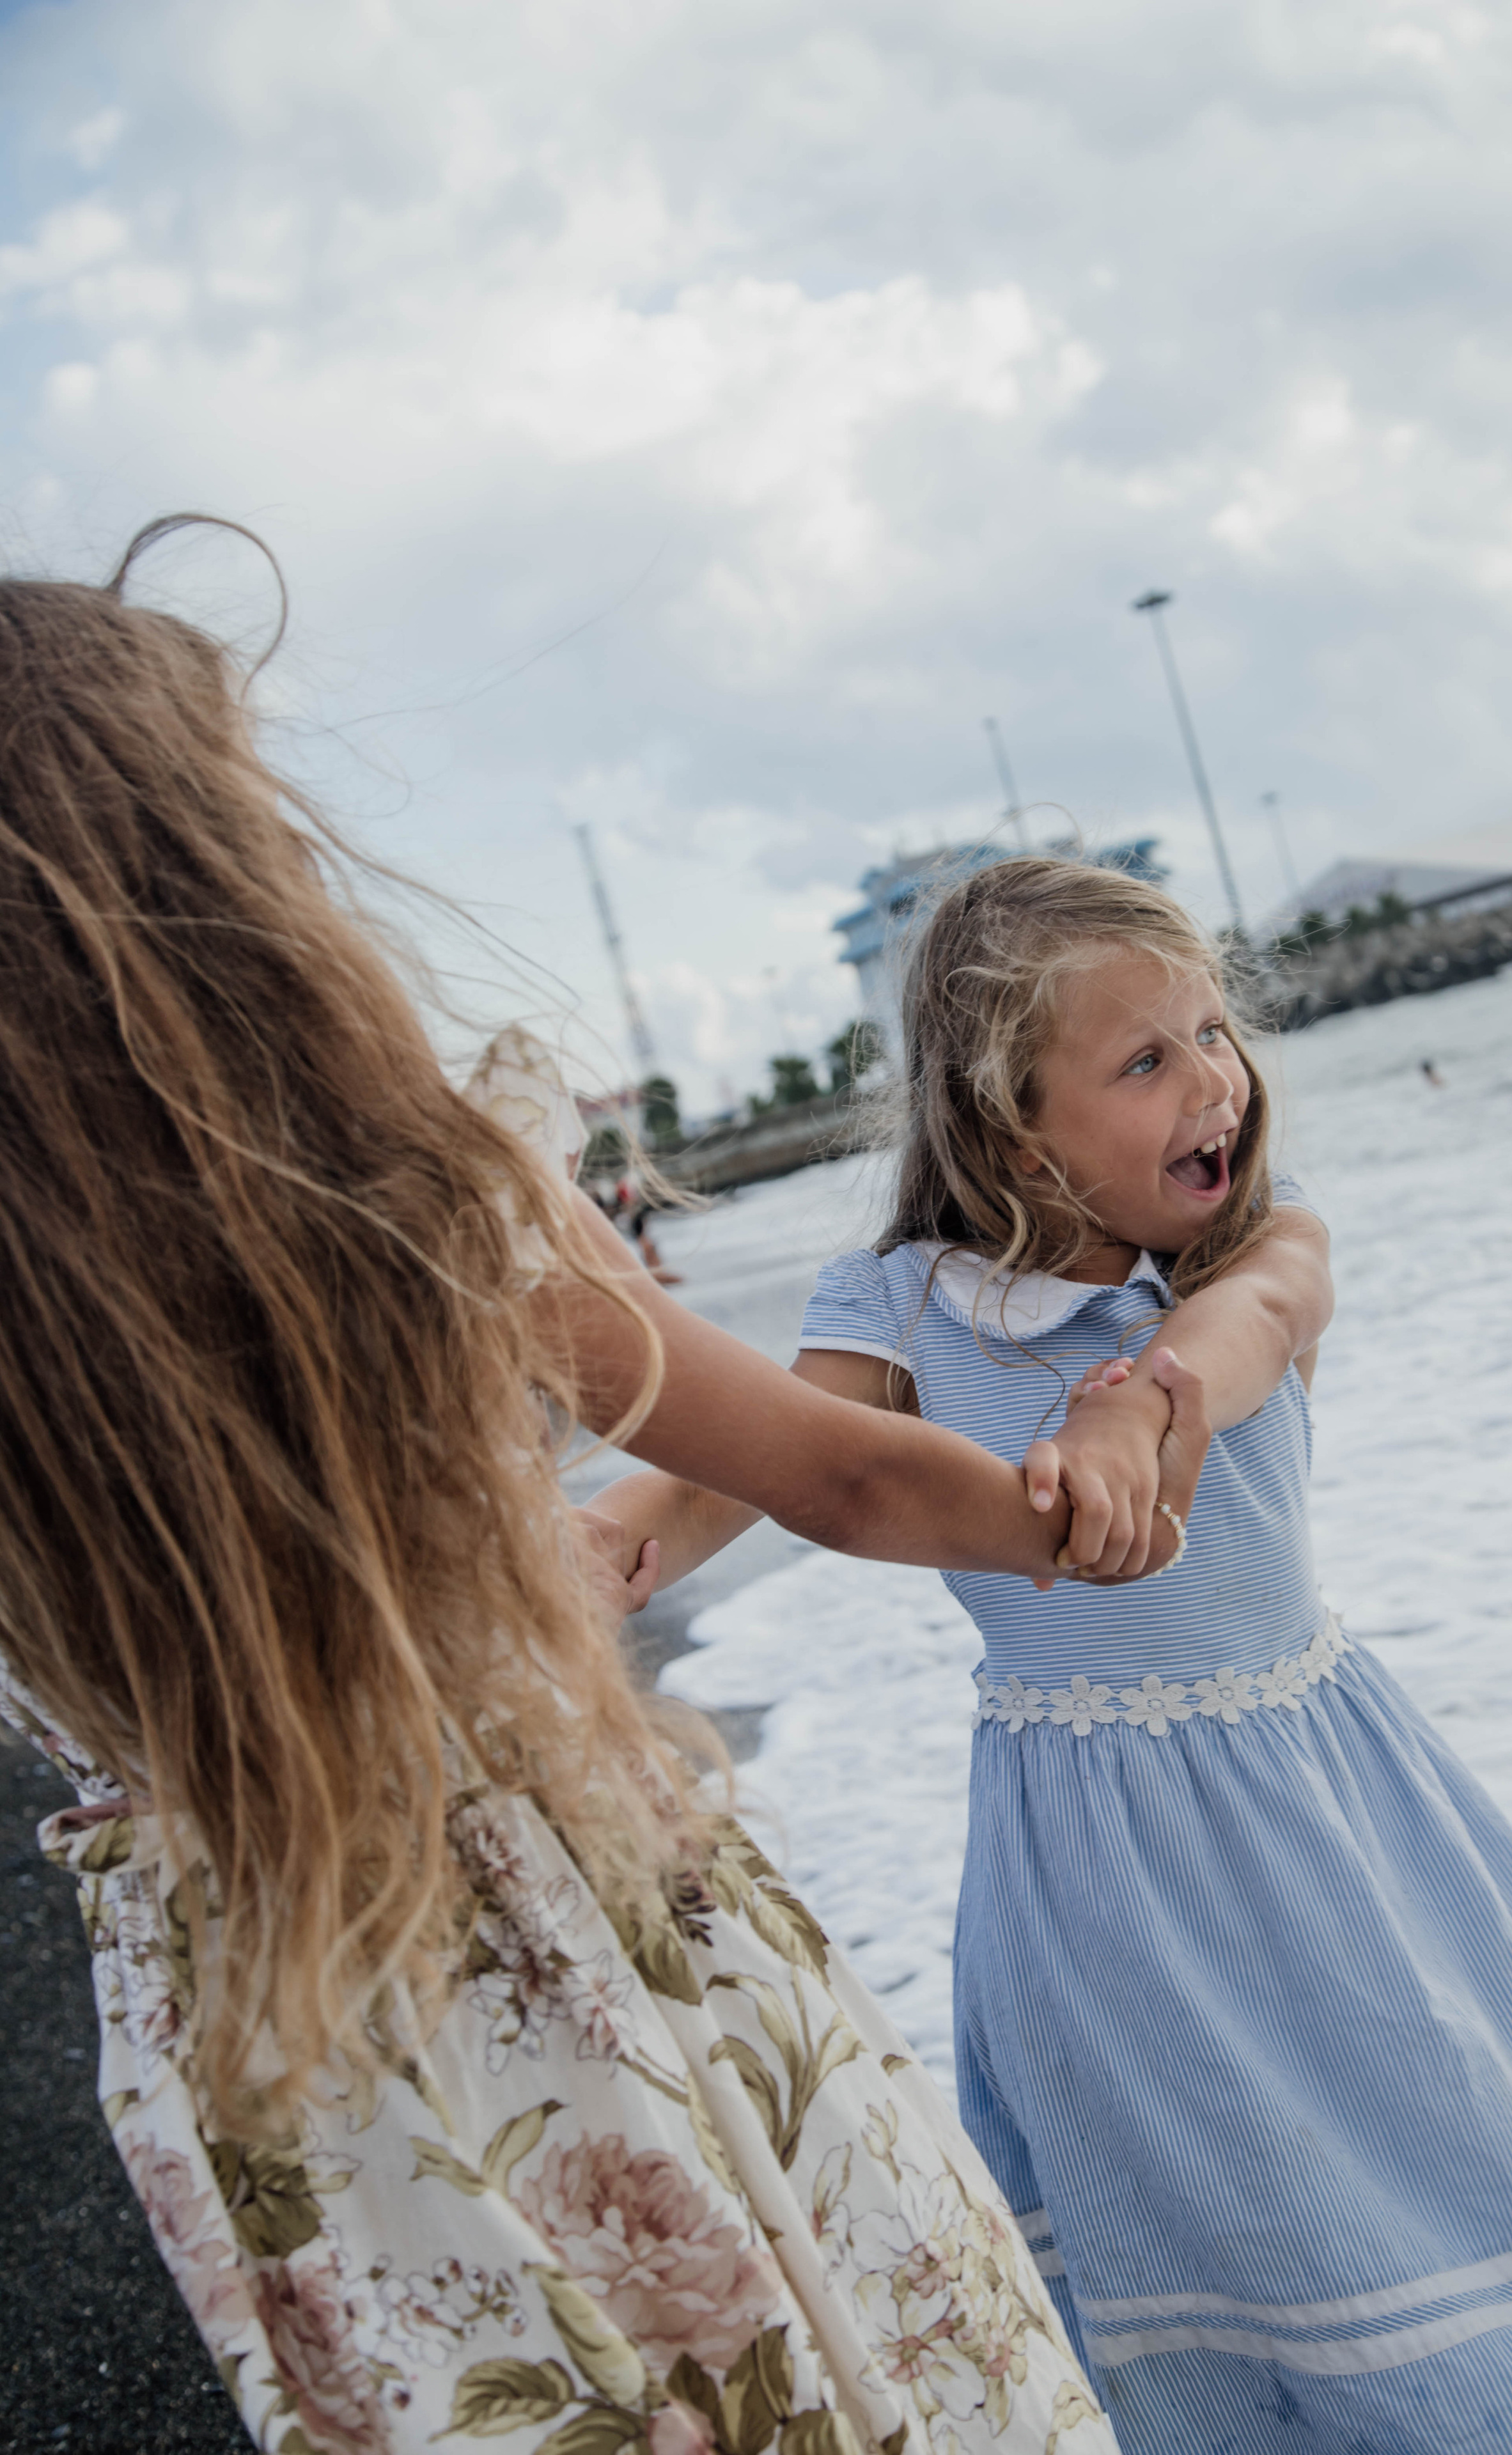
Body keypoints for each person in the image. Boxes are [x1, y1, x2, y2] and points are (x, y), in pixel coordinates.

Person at [0, 533, 1145, 2455]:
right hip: (587, 1932)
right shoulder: (426, 1202)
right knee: (868, 2376)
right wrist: (1099, 1499)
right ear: (216, 885)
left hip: (268, 2039)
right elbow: (848, 1472)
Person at [602, 856, 1512, 2452]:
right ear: (1016, 1129)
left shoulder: (1247, 1259)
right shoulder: (898, 1309)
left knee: (1447, 2162)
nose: (1215, 1078)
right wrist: (609, 1530)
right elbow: (776, 1452)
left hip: (1335, 1822)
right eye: (1146, 1059)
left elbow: (1239, 1343)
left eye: (1212, 1032)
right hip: (1092, 1879)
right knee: (1222, 2227)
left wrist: (1139, 1401)